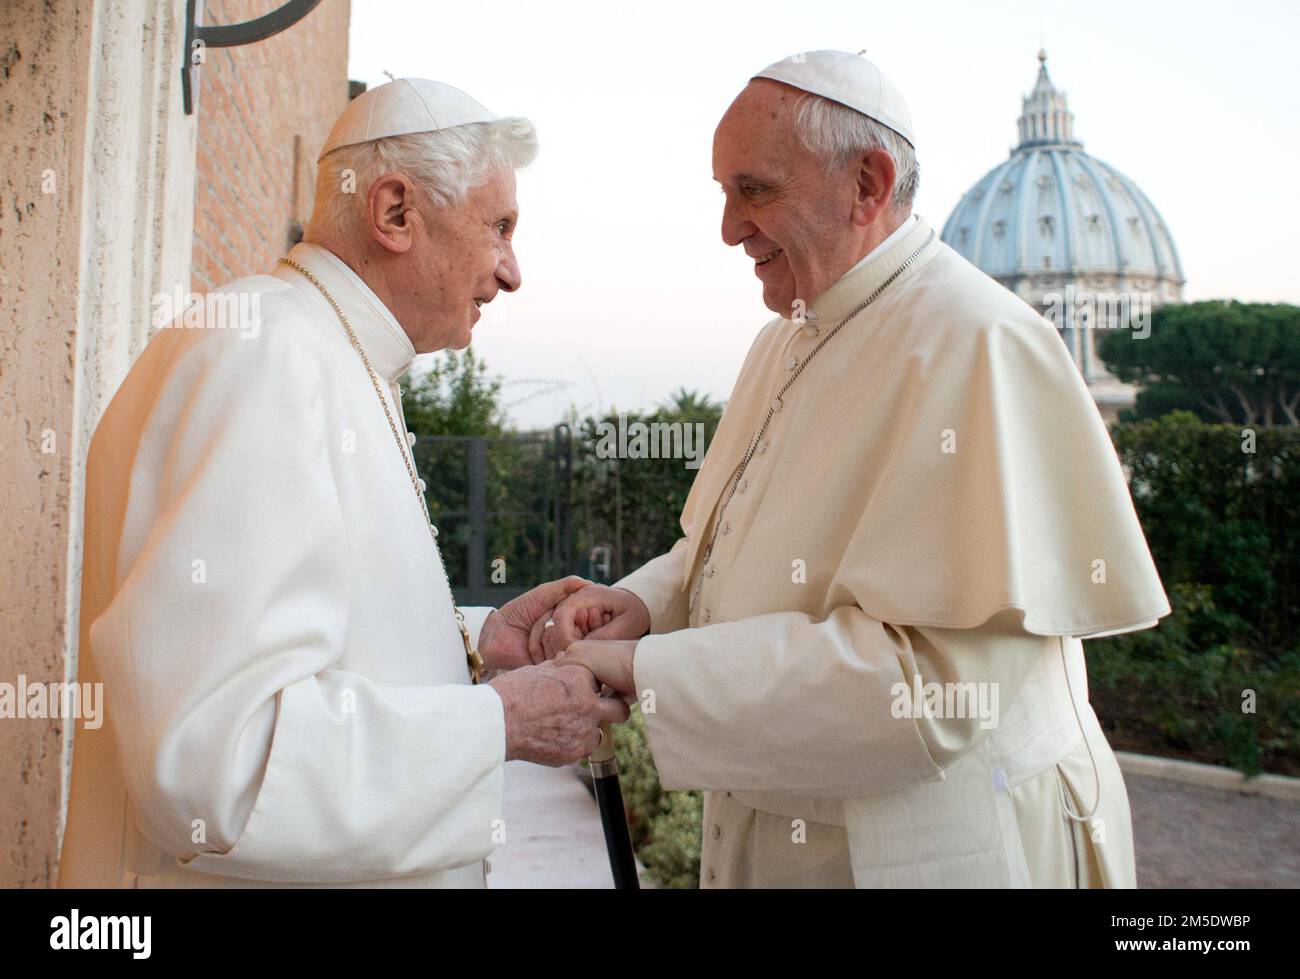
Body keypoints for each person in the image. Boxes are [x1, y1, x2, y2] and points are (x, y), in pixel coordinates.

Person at [542, 51, 1169, 888]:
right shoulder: (787, 337)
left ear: (867, 184)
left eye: (754, 190)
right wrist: (645, 608)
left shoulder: (979, 343)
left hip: (933, 844)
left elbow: (934, 685)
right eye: (724, 193)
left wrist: (646, 673)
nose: (728, 227)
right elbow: (727, 548)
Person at [58, 78, 626, 889]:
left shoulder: (326, 354)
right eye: (498, 227)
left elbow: (322, 645)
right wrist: (499, 722)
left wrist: (480, 642)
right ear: (395, 212)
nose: (511, 272)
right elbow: (218, 767)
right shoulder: (269, 356)